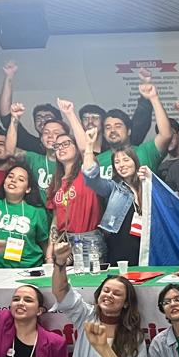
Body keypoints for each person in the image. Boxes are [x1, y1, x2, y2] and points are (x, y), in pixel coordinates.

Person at [44, 243, 147, 357]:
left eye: (117, 294)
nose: (109, 295)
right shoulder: (86, 316)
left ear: (126, 303)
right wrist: (60, 262)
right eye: (106, 291)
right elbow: (61, 291)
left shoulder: (135, 338)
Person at [45, 100, 106, 264]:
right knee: (62, 279)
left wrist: (70, 113)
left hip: (88, 240)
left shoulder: (86, 173)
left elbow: (86, 148)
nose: (61, 148)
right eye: (57, 146)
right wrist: (50, 248)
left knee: (89, 279)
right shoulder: (56, 181)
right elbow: (56, 218)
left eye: (66, 144)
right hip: (63, 242)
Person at [85, 147, 148, 265]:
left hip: (145, 249)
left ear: (135, 162)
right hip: (120, 249)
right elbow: (91, 179)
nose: (122, 165)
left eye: (126, 160)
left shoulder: (147, 187)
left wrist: (149, 178)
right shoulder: (114, 188)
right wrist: (89, 147)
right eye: (117, 162)